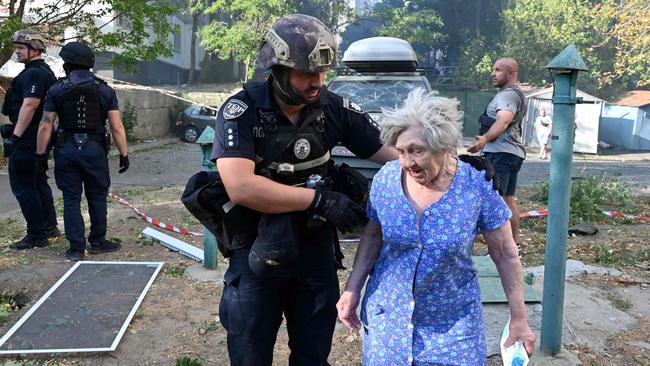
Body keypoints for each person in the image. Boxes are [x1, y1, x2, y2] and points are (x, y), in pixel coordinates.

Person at [199, 14, 496, 365]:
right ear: (278, 70)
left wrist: (451, 162)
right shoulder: (241, 111)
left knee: (313, 354)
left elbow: (396, 150)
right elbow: (241, 187)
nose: (317, 82)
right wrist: (319, 198)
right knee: (250, 353)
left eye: (322, 73)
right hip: (257, 250)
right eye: (307, 73)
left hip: (314, 250)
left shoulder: (332, 107)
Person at [337, 88, 536, 365]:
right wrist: (352, 289)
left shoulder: (476, 185)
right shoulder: (386, 179)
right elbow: (373, 235)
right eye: (402, 151)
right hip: (388, 323)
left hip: (453, 329)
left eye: (417, 151)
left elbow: (505, 254)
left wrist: (519, 319)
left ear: (443, 146)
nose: (407, 162)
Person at [35, 42, 129, 261]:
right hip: (95, 150)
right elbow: (116, 126)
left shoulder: (56, 89)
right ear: (90, 65)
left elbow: (46, 124)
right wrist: (124, 154)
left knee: (70, 198)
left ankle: (76, 249)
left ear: (67, 64)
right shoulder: (105, 89)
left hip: (66, 150)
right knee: (97, 196)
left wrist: (41, 156)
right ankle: (97, 241)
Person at [1, 29, 60, 250]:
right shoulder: (39, 72)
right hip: (36, 135)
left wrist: (15, 137)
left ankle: (36, 235)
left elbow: (31, 105)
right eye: (16, 47)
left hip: (27, 136)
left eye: (20, 48)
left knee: (23, 185)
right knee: (37, 180)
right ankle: (48, 226)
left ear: (35, 50)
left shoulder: (34, 74)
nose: (16, 51)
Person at [468, 57, 526, 250]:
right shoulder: (513, 94)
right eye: (493, 69)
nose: (493, 73)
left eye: (498, 70)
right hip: (511, 153)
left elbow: (504, 120)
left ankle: (503, 248)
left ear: (511, 74)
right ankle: (513, 246)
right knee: (507, 199)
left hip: (500, 153)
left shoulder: (507, 96)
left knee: (494, 200)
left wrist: (484, 139)